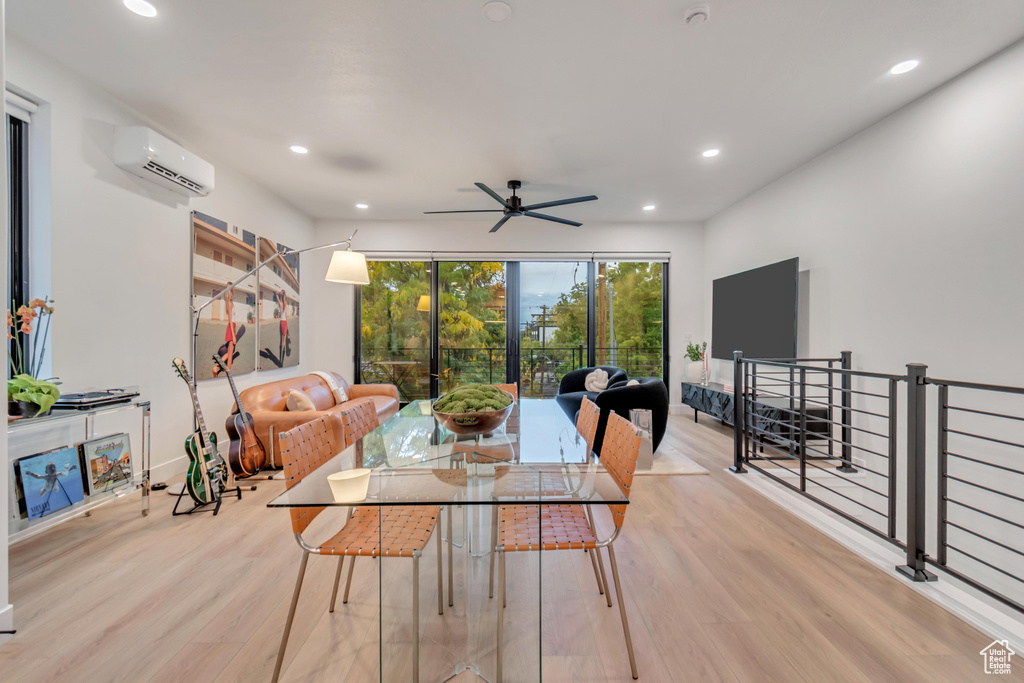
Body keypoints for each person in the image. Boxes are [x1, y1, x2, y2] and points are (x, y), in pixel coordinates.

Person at [212, 292, 245, 377]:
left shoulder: (230, 302)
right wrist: (234, 336)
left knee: (230, 352)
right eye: (232, 290)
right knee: (230, 354)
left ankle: (216, 368)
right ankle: (223, 371)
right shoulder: (229, 303)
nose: (233, 292)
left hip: (232, 327)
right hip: (231, 327)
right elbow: (230, 320)